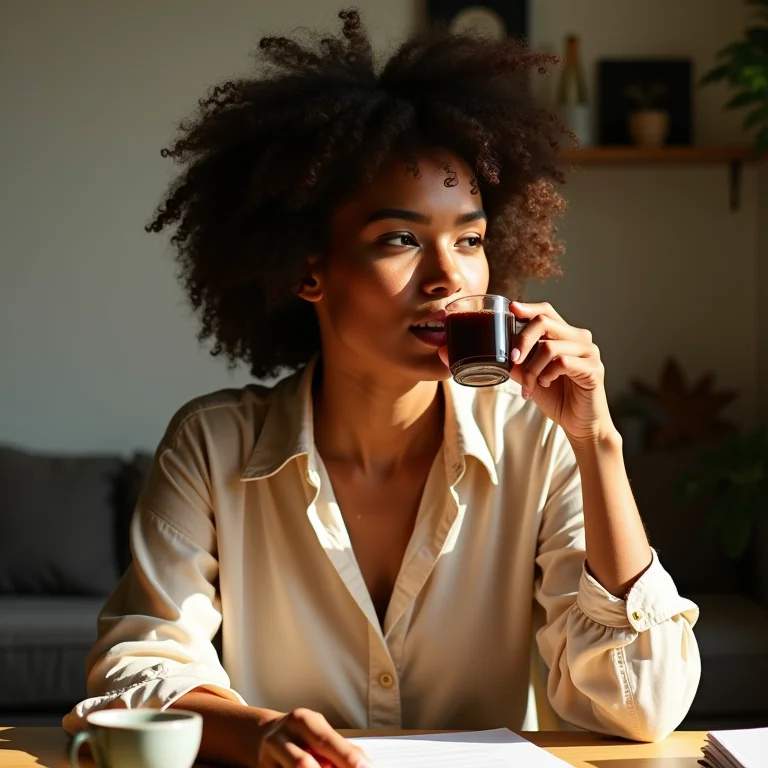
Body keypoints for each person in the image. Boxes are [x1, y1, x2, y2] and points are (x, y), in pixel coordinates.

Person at [63, 9, 700, 767]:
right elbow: (140, 668)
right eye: (400, 239)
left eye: (469, 239)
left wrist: (595, 441)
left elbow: (641, 711)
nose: (450, 278)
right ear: (308, 270)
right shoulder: (211, 447)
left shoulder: (539, 440)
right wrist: (257, 733)